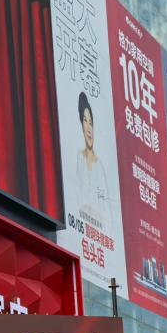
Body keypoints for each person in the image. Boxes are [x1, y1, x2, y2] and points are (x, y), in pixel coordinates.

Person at [74, 91, 114, 229]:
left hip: (100, 232)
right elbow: (76, 199)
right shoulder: (79, 158)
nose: (89, 128)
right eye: (85, 121)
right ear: (81, 125)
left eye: (91, 122)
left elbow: (108, 216)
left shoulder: (100, 167)